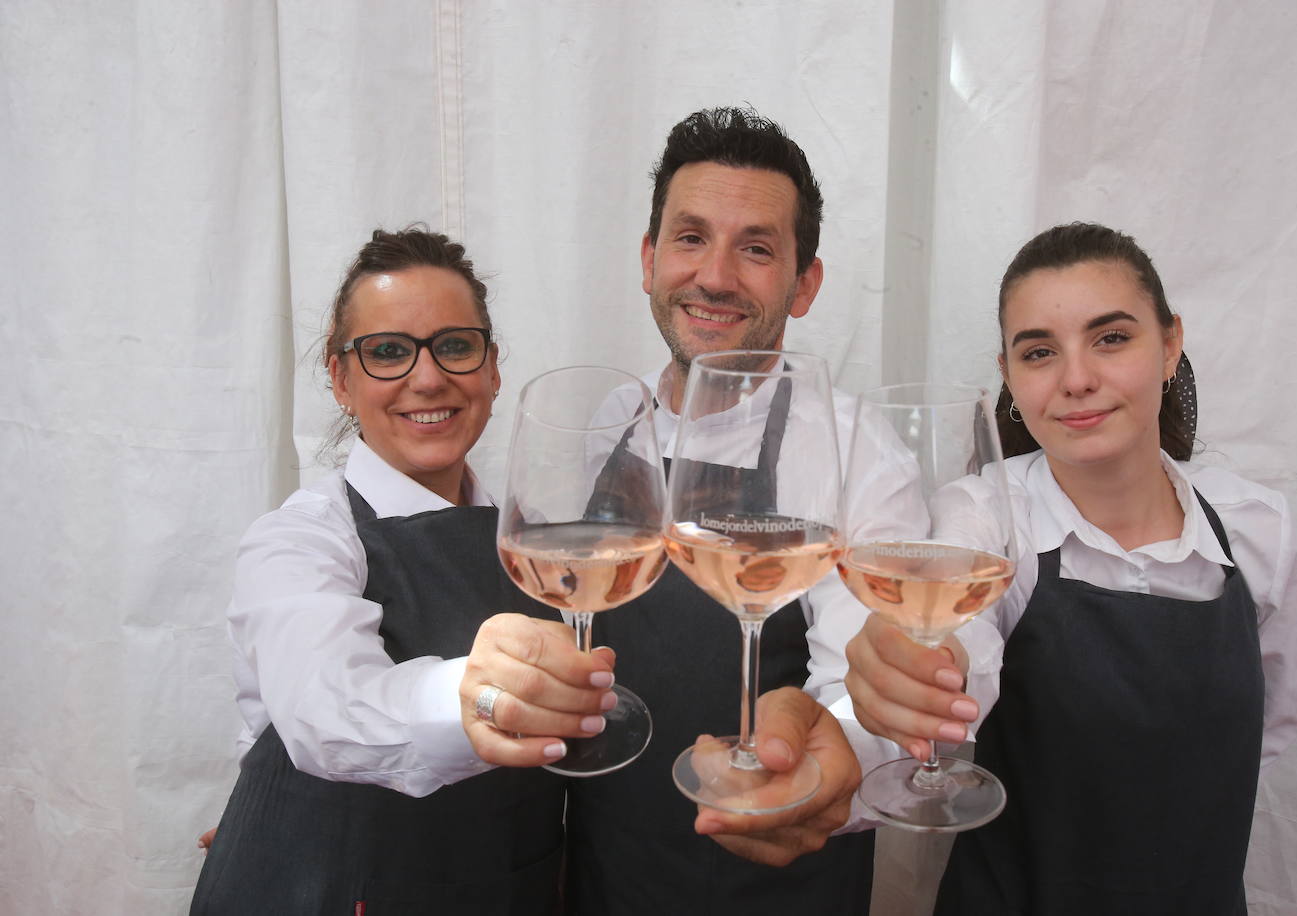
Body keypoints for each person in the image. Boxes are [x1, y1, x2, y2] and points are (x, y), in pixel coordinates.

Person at [561, 107, 990, 915]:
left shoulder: (855, 451)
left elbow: (871, 673)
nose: (715, 276)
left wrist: (820, 766)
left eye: (755, 248)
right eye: (689, 238)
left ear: (804, 284)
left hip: (774, 871)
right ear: (649, 259)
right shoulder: (611, 420)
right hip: (606, 865)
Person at [843, 222, 1297, 915]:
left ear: (1170, 344)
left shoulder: (1257, 529)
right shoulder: (986, 516)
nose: (1078, 379)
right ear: (1008, 376)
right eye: (1039, 352)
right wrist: (917, 668)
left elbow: (1270, 728)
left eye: (1112, 338)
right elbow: (958, 643)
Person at [192, 228, 615, 914]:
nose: (428, 377)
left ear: (492, 367)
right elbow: (323, 706)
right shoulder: (300, 540)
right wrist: (475, 692)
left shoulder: (535, 537)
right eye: (389, 352)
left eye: (454, 345)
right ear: (341, 379)